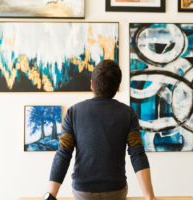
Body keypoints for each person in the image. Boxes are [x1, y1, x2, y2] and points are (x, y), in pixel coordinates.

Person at [43, 60, 157, 200]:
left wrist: (51, 194)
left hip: (83, 192)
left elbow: (63, 154)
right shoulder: (128, 114)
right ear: (117, 88)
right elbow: (137, 154)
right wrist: (149, 196)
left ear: (92, 84)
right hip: (116, 191)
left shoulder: (73, 113)